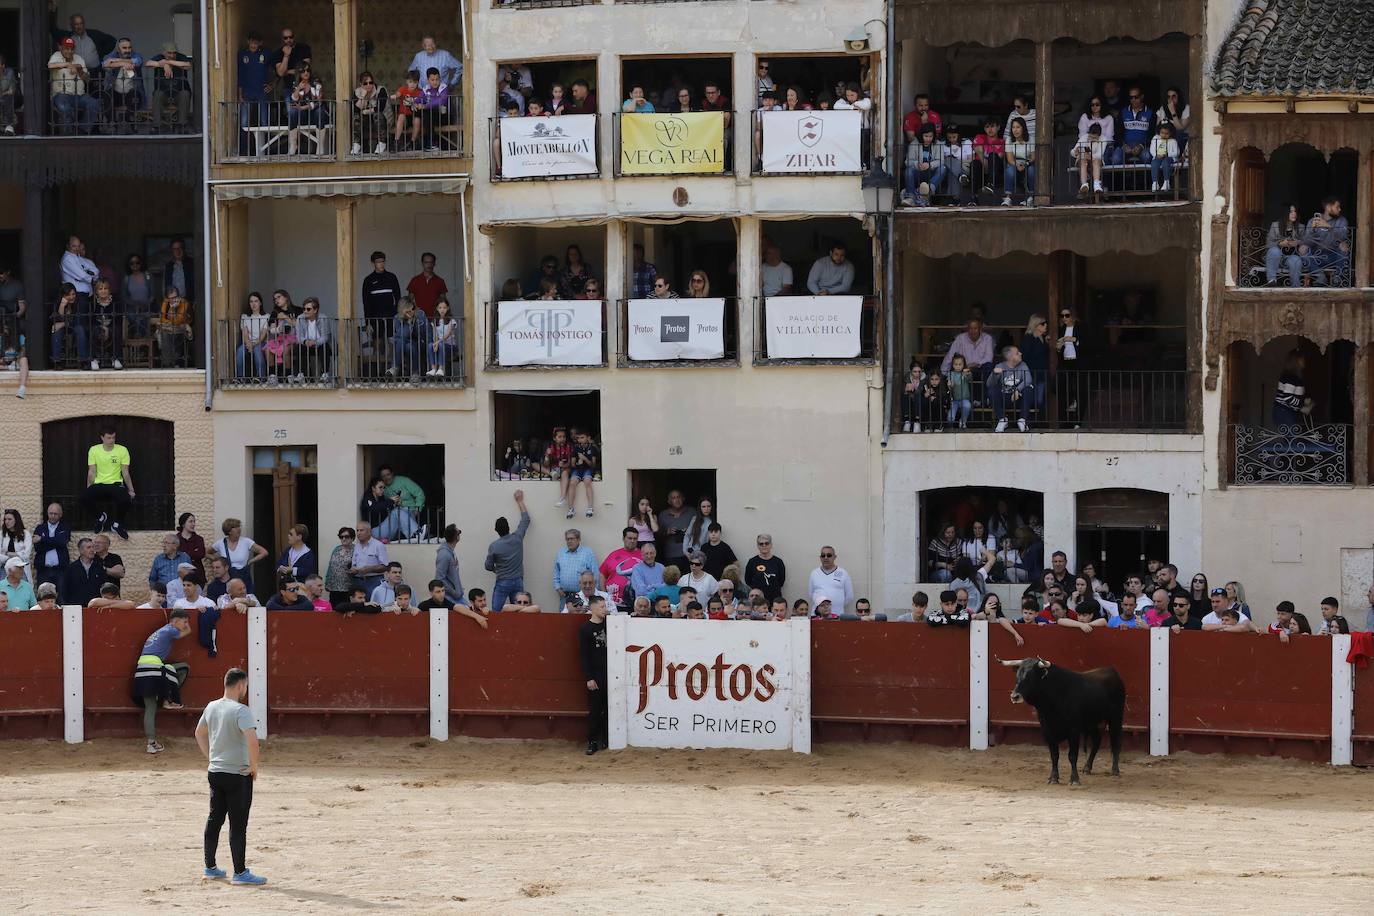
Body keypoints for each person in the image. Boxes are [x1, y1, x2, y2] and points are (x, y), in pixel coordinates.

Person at [196, 667, 265, 885]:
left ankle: (210, 867)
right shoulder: (241, 710)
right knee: (238, 824)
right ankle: (240, 872)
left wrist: (211, 757)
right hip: (237, 774)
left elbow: (199, 733)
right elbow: (253, 741)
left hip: (215, 771)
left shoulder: (211, 706)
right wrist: (253, 766)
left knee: (214, 819)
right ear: (240, 685)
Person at [134, 609, 192, 754]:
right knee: (183, 668)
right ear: (175, 621)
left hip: (141, 669)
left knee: (150, 708)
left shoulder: (161, 631)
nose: (185, 624)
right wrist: (188, 625)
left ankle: (151, 744)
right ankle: (168, 699)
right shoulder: (171, 630)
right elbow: (187, 632)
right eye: (184, 621)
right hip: (155, 669)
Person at [485, 490, 530, 612]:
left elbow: (488, 566)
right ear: (509, 527)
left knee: (497, 611)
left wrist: (496, 570)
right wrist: (520, 501)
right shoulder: (517, 538)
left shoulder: (494, 546)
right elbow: (526, 519)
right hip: (518, 580)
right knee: (519, 610)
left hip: (503, 581)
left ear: (496, 530)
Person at [49, 37, 99, 135]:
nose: (69, 51)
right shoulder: (56, 55)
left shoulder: (79, 58)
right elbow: (50, 66)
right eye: (66, 48)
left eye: (71, 49)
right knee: (64, 108)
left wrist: (80, 70)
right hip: (61, 95)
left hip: (79, 95)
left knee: (94, 104)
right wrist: (69, 65)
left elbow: (87, 80)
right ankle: (68, 134)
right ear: (61, 48)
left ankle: (82, 131)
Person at [579, 595, 609, 755]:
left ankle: (605, 739)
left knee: (607, 708)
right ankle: (592, 741)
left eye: (605, 606)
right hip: (596, 674)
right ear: (593, 608)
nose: (605, 609)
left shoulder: (609, 624)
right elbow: (584, 656)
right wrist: (589, 677)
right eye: (602, 607)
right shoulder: (585, 629)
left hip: (609, 672)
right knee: (595, 709)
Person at [146, 41, 193, 130]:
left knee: (185, 94)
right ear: (164, 52)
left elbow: (188, 65)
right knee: (157, 95)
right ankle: (157, 125)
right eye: (169, 53)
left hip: (179, 93)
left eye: (174, 53)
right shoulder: (159, 57)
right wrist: (162, 64)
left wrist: (168, 62)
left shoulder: (180, 57)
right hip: (164, 93)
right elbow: (148, 63)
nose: (172, 55)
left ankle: (182, 124)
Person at [1075, 99, 1113, 198]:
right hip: (1084, 152)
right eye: (1092, 105)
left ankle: (1099, 185)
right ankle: (1083, 185)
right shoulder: (1084, 121)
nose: (1094, 107)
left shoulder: (1108, 121)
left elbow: (1107, 140)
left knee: (1098, 160)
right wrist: (1078, 151)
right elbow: (1079, 141)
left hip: (1101, 150)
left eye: (1097, 104)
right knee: (1082, 160)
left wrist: (1091, 155)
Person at [553, 528, 598, 609]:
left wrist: (594, 594)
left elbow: (595, 574)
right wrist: (558, 587)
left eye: (572, 539)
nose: (569, 541)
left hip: (583, 595)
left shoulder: (588, 553)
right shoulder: (561, 553)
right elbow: (556, 572)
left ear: (578, 539)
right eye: (567, 539)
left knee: (581, 619)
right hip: (565, 596)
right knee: (564, 619)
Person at [599, 528, 642, 611]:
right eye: (629, 538)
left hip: (637, 604)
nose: (632, 541)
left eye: (635, 539)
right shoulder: (613, 555)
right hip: (613, 604)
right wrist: (605, 595)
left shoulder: (643, 555)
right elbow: (602, 574)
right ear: (623, 538)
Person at [1265, 204, 1306, 288]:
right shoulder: (1275, 225)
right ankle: (1272, 280)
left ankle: (1295, 287)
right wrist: (1280, 243)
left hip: (1291, 256)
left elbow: (1305, 242)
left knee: (1296, 260)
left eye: (1295, 211)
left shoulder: (1301, 227)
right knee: (1274, 251)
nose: (1294, 214)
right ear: (1285, 213)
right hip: (1276, 257)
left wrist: (1297, 243)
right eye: (1291, 212)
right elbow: (1268, 243)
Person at [808, 546, 854, 614]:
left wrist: (837, 605)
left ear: (835, 557)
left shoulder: (843, 573)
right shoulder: (814, 573)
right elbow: (811, 594)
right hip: (817, 616)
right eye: (823, 555)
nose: (826, 558)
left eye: (829, 555)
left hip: (837, 615)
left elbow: (849, 596)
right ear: (820, 558)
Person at [1273, 349, 1310, 429]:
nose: (1304, 361)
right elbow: (1288, 398)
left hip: (1285, 412)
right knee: (1292, 439)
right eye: (1302, 359)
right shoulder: (1291, 377)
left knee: (1290, 438)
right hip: (1285, 412)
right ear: (1297, 361)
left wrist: (1304, 403)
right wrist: (1302, 404)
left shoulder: (1292, 377)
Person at [744, 533, 786, 603]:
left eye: (767, 543)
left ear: (771, 545)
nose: (764, 545)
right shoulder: (752, 562)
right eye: (761, 544)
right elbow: (748, 581)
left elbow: (781, 581)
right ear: (758, 546)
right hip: (757, 601)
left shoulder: (778, 562)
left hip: (774, 599)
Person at [1004, 116, 1036, 206]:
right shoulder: (1009, 140)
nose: (1015, 130)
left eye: (1018, 127)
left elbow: (1033, 157)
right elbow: (1009, 159)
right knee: (1010, 170)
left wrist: (1025, 164)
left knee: (1031, 170)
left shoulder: (1031, 139)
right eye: (1013, 127)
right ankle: (1007, 198)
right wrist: (1017, 165)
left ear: (1023, 128)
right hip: (1014, 162)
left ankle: (1031, 197)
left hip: (1028, 162)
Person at [1148, 122, 1180, 193]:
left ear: (1171, 133)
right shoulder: (1155, 138)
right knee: (1154, 163)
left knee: (1165, 162)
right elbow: (1152, 149)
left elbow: (1177, 152)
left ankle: (1166, 182)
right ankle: (1155, 183)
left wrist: (1167, 154)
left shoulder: (1173, 141)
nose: (1164, 135)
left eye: (1166, 133)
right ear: (1159, 131)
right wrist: (1156, 155)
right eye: (1162, 133)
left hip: (1168, 157)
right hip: (1158, 156)